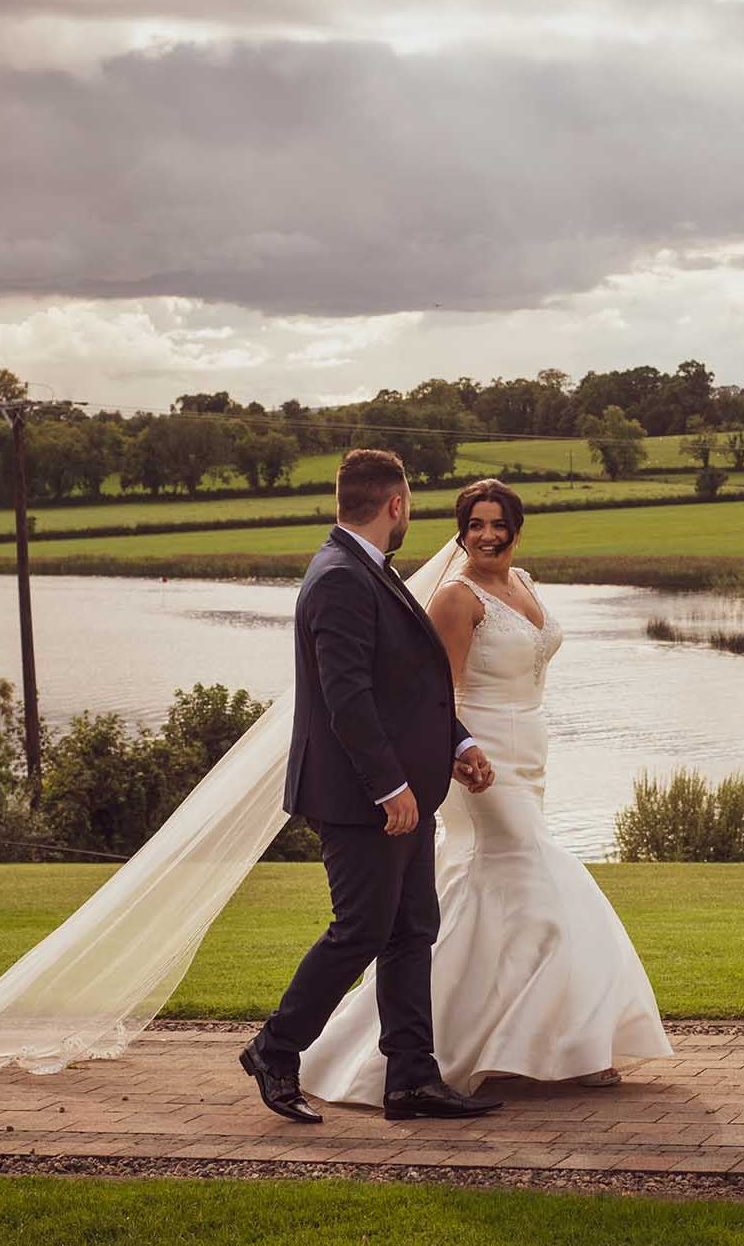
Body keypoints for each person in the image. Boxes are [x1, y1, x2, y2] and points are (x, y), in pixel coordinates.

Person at [298, 478, 671, 1105]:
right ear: (461, 531)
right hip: (482, 759)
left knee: (481, 893)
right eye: (475, 525)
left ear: (517, 529)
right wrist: (460, 749)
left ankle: (449, 1045)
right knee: (538, 872)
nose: (488, 536)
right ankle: (574, 1045)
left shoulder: (523, 583)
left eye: (499, 524)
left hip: (532, 751)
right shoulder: (454, 598)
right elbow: (438, 696)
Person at [238, 450, 504, 1124]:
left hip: (404, 795)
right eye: (409, 502)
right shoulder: (339, 579)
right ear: (396, 504)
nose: (409, 511)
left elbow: (409, 688)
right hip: (361, 802)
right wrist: (389, 787)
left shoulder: (366, 570)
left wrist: (457, 742)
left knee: (412, 927)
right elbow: (346, 697)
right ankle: (276, 1046)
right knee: (360, 929)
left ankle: (412, 1079)